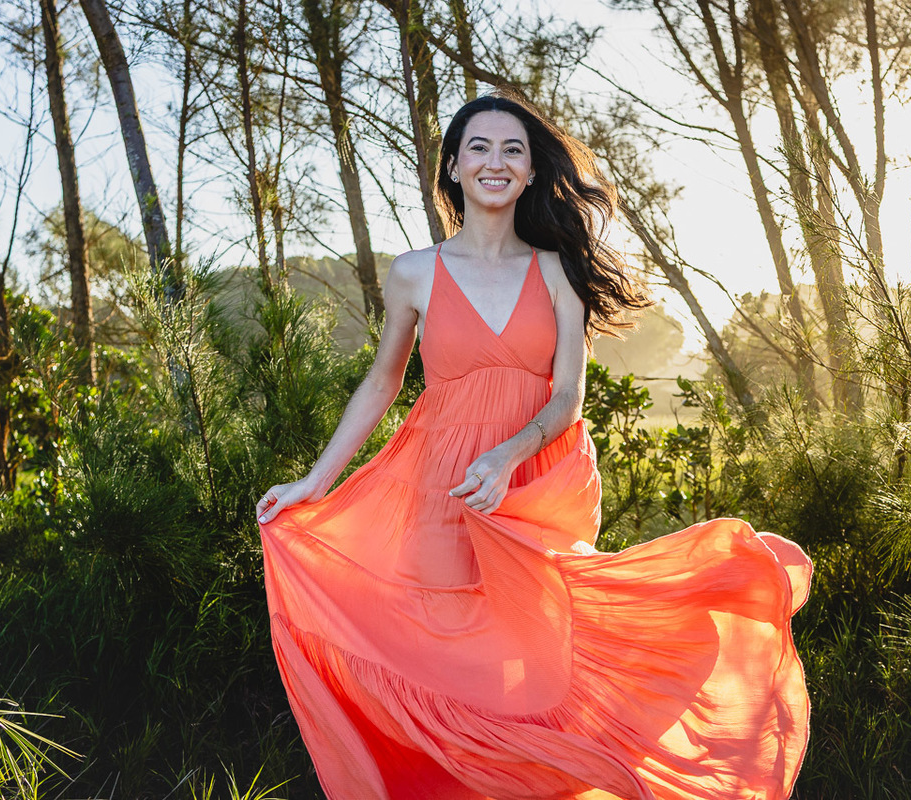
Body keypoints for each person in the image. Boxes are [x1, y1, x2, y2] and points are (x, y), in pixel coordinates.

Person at [256, 90, 811, 800]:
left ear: (528, 172)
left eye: (512, 149)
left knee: (533, 672)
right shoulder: (414, 272)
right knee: (451, 674)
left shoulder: (557, 268)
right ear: (453, 168)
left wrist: (508, 454)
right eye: (479, 148)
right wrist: (315, 482)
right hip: (442, 490)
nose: (496, 161)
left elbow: (567, 395)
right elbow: (381, 385)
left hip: (533, 485)